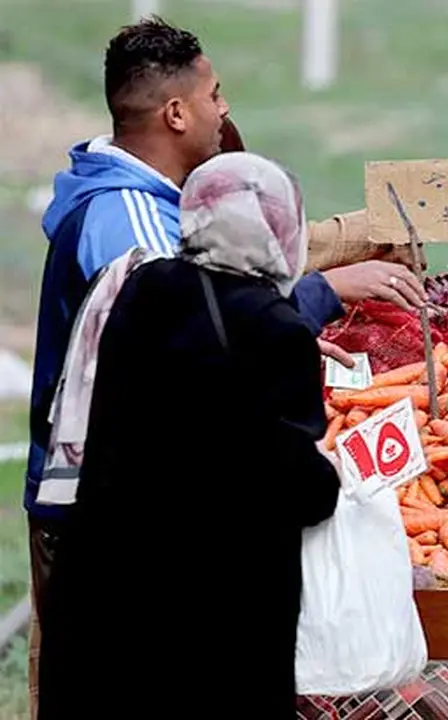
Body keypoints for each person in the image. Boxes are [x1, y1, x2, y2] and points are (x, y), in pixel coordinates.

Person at [23, 15, 448, 711]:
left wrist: (357, 246)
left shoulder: (166, 224)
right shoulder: (130, 229)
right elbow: (205, 373)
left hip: (120, 561)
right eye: (216, 94)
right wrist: (313, 303)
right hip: (158, 566)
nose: (226, 110)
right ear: (177, 110)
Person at [37, 152, 342, 719]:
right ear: (282, 231)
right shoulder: (275, 329)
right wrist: (338, 472)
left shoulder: (138, 287)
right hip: (211, 619)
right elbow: (301, 487)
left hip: (104, 594)